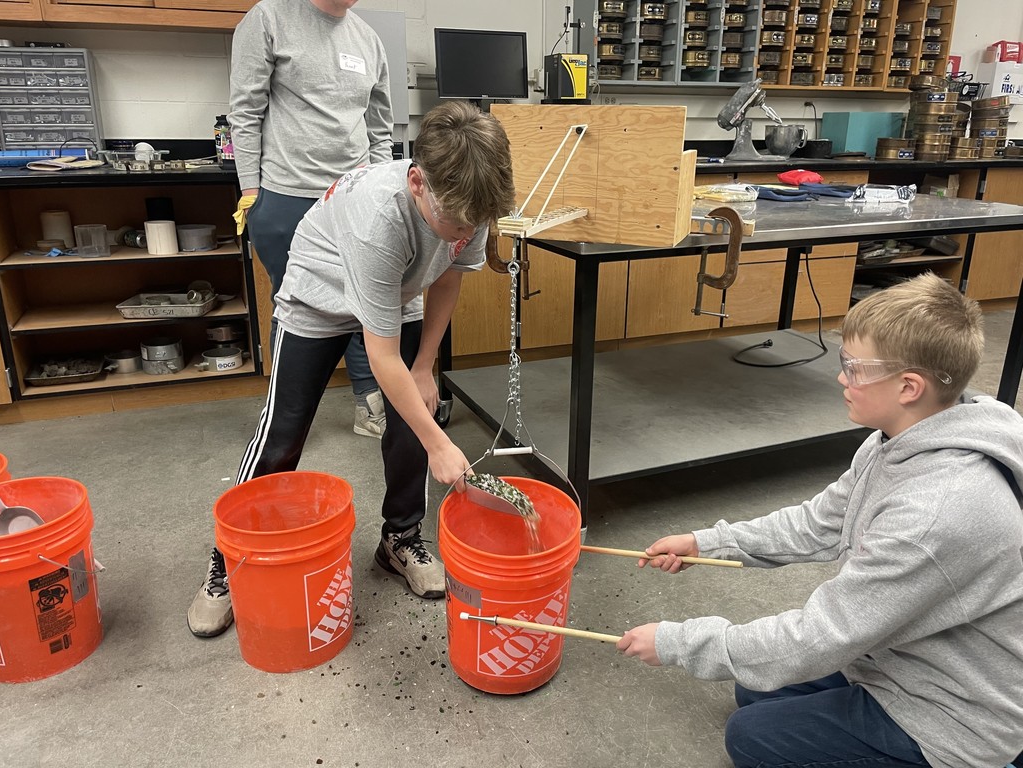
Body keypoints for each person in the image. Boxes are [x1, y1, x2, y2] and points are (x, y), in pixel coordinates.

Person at [617, 273, 1023, 768]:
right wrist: (707, 543)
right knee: (753, 689)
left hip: (954, 712)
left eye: (854, 368)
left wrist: (678, 642)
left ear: (909, 387)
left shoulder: (933, 515)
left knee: (751, 737)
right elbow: (818, 523)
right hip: (898, 654)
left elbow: (822, 635)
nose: (841, 379)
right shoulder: (897, 438)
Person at [187, 100, 517, 638]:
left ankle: (400, 539)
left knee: (415, 413)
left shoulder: (470, 198)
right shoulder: (378, 217)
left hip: (395, 290)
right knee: (283, 432)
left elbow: (448, 276)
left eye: (473, 224)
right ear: (418, 182)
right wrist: (440, 444)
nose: (466, 230)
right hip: (319, 295)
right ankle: (229, 561)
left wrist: (425, 367)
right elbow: (380, 356)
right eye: (456, 223)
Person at [229, 0, 392, 439]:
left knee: (362, 302)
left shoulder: (368, 39)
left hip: (353, 195)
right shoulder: (269, 18)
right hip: (287, 194)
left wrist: (378, 190)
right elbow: (245, 111)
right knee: (294, 308)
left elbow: (379, 128)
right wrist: (251, 192)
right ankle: (285, 420)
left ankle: (369, 404)